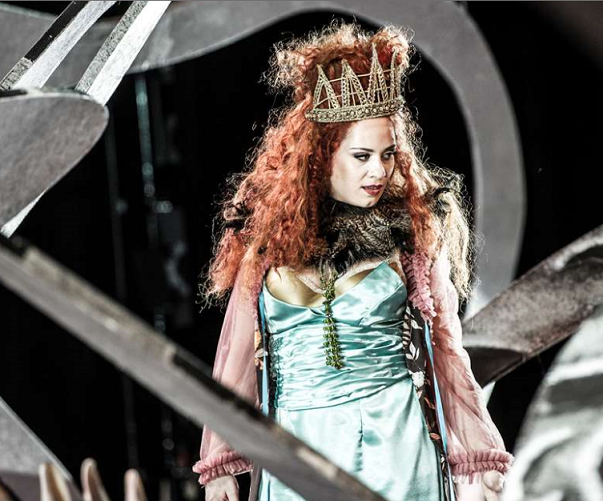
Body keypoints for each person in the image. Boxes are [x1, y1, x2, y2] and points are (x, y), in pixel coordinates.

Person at [192, 21, 514, 501]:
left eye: (388, 154)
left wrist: (481, 452)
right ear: (322, 158)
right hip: (296, 454)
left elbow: (446, 353)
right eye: (361, 156)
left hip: (397, 450)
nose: (378, 171)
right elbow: (234, 357)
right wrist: (219, 463)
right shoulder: (266, 249)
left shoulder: (411, 242)